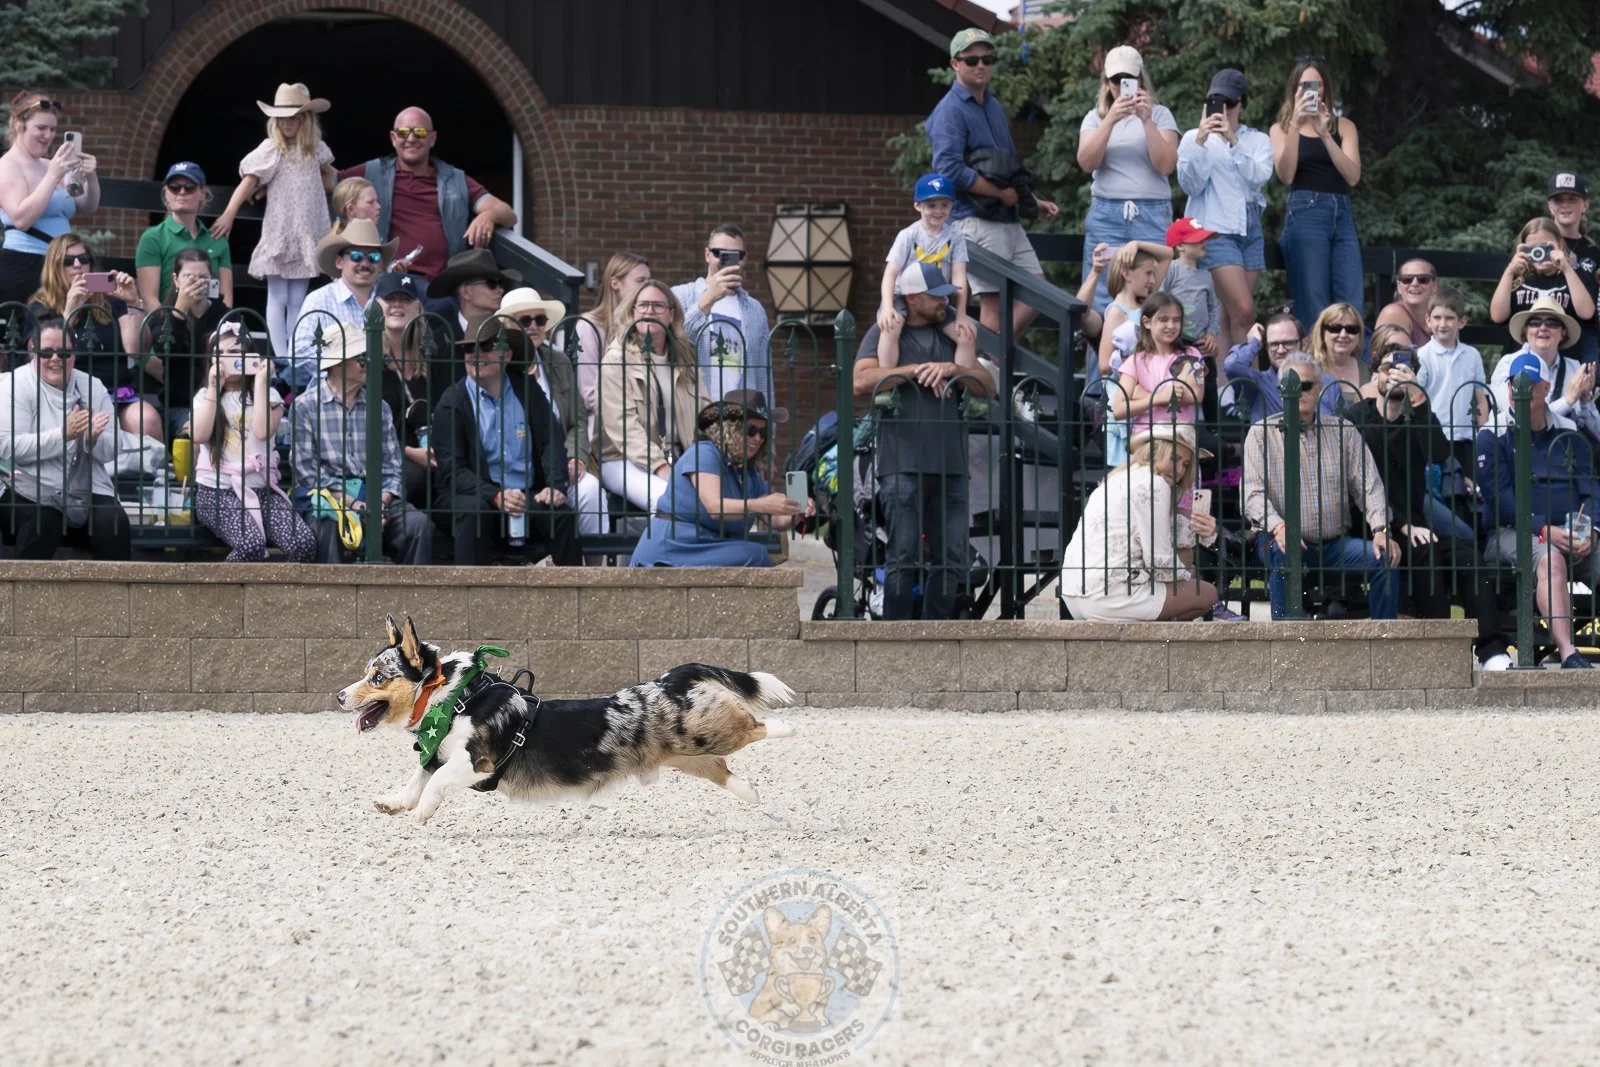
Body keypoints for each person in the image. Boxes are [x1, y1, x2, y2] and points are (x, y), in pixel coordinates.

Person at [853, 262, 993, 619]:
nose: (944, 303)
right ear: (913, 298)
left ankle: (939, 627)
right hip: (901, 463)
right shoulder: (886, 330)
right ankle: (897, 631)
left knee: (952, 556)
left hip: (951, 466)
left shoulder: (953, 333)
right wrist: (912, 371)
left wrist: (953, 370)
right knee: (903, 553)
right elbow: (860, 381)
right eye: (937, 297)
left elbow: (988, 387)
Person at [1244, 352, 1398, 620]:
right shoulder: (1260, 433)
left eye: (1305, 386)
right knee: (1282, 552)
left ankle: (1385, 640)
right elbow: (1251, 495)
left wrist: (1381, 529)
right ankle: (1287, 634)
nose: (1297, 392)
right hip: (1276, 538)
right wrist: (1278, 526)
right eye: (1289, 387)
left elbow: (1369, 487)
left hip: (1333, 544)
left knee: (1384, 557)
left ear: (1318, 388)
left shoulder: (1343, 431)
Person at [926, 29, 1060, 335]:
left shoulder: (993, 105)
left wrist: (1032, 202)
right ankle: (988, 370)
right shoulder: (950, 110)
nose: (980, 65)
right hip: (976, 218)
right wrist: (999, 193)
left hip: (1006, 217)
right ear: (954, 64)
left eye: (987, 59)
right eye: (971, 59)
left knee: (1039, 292)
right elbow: (947, 170)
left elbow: (1006, 169)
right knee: (993, 304)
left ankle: (989, 359)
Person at [1477, 354, 1598, 668]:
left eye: (1529, 384)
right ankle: (1568, 650)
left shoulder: (1569, 430)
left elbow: (1591, 487)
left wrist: (1594, 531)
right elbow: (1500, 501)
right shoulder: (1492, 434)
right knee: (1549, 559)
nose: (1521, 390)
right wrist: (1545, 529)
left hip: (1573, 533)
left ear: (1546, 388)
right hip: (1511, 533)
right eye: (1514, 383)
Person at [212, 84, 337, 370]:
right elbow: (249, 181)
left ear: (305, 120)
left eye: (293, 117)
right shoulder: (272, 149)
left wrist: (349, 195)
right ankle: (281, 355)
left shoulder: (315, 150)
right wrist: (230, 212)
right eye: (281, 118)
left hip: (308, 231)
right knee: (278, 295)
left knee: (298, 298)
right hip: (282, 231)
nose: (287, 123)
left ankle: (295, 351)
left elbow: (331, 180)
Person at [431, 331, 579, 567]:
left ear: (507, 354)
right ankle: (470, 597)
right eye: (469, 349)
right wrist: (495, 496)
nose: (476, 355)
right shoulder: (452, 401)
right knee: (474, 513)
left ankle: (570, 599)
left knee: (562, 516)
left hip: (525, 494)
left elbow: (551, 439)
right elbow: (452, 470)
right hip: (475, 496)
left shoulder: (527, 390)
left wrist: (555, 485)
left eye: (486, 347)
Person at [289, 321, 430, 565]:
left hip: (377, 497)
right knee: (326, 528)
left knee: (418, 525)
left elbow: (393, 466)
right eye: (361, 357)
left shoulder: (380, 406)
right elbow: (307, 474)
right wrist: (354, 505)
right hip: (332, 498)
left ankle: (412, 601)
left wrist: (380, 503)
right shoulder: (305, 407)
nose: (370, 362)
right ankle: (331, 601)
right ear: (337, 364)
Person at [1346, 345, 1471, 614]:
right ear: (1375, 376)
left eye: (1404, 369)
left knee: (1470, 557)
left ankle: (1491, 649)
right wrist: (1402, 525)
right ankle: (1434, 638)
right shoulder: (1355, 418)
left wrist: (1418, 398)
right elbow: (1352, 485)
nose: (1394, 375)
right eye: (1387, 368)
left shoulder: (1416, 418)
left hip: (1417, 526)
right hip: (1368, 525)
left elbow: (1439, 454)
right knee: (1424, 551)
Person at [1062, 423, 1229, 621]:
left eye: (1185, 464)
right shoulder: (1155, 485)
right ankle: (1161, 645)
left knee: (1186, 570)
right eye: (1174, 458)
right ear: (1155, 451)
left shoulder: (1117, 478)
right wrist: (1189, 575)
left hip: (1073, 594)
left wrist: (1197, 540)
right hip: (1110, 598)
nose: (1179, 471)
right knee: (1207, 593)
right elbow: (1160, 563)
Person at [0, 317, 130, 559]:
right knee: (43, 523)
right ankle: (27, 596)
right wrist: (63, 435)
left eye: (64, 353)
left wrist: (92, 440)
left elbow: (113, 449)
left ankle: (113, 598)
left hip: (85, 487)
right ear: (32, 352)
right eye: (46, 352)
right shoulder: (15, 385)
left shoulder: (93, 386)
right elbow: (6, 447)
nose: (55, 359)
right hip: (26, 486)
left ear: (74, 354)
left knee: (113, 524)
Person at [337, 106, 517, 280]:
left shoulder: (454, 179)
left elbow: (509, 214)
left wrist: (489, 215)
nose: (411, 138)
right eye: (403, 132)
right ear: (393, 138)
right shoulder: (373, 172)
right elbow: (330, 181)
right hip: (389, 282)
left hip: (442, 285)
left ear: (432, 138)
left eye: (420, 133)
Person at [630, 390, 806, 567]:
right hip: (674, 546)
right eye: (750, 430)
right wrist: (761, 504)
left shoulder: (748, 471)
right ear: (730, 429)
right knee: (755, 553)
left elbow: (773, 519)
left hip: (708, 545)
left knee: (755, 552)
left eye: (763, 432)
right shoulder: (704, 453)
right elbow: (715, 507)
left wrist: (795, 512)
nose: (758, 438)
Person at [189, 324, 316, 563]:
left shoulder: (270, 396)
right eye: (221, 354)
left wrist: (259, 383)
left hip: (263, 490)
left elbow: (261, 431)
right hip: (217, 492)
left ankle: (277, 596)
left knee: (303, 543)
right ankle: (222, 592)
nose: (227, 359)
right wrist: (214, 388)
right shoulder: (204, 396)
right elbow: (199, 435)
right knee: (251, 544)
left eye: (236, 353)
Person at [1075, 46, 1177, 316]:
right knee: (1099, 303)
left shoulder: (1160, 114)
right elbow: (1086, 162)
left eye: (1127, 80)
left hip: (1151, 214)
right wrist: (1110, 120)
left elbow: (1166, 164)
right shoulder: (1095, 118)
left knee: (1154, 301)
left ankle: (1153, 359)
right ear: (1106, 83)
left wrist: (1146, 120)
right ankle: (1103, 358)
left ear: (1140, 80)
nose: (1121, 87)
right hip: (1107, 214)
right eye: (1115, 80)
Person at [1176, 68, 1272, 350]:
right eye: (1215, 101)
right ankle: (1236, 387)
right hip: (1215, 230)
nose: (1223, 110)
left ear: (1242, 103)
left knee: (1229, 316)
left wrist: (1233, 140)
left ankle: (1233, 390)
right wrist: (1200, 143)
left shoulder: (1257, 140)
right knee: (1244, 310)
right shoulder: (1194, 138)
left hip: (1250, 229)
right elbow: (1190, 186)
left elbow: (1259, 176)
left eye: (1229, 103)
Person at [501, 286, 605, 538]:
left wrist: (574, 458)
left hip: (563, 461)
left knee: (591, 490)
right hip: (520, 468)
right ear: (507, 327)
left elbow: (578, 419)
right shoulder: (498, 366)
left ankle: (594, 574)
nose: (533, 326)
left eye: (540, 320)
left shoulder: (558, 361)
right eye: (524, 320)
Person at [1271, 59, 1363, 325]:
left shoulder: (1343, 126)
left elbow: (1353, 175)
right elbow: (1286, 175)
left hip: (1341, 213)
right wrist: (1296, 128)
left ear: (1325, 89)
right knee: (1313, 302)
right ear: (1295, 90)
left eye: (1317, 85)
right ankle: (1316, 365)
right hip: (1305, 212)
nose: (1312, 91)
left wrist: (1325, 135)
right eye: (1305, 85)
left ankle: (1350, 365)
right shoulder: (1281, 128)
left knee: (1350, 301)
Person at [597, 281, 701, 513]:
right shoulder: (616, 360)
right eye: (642, 305)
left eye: (657, 305)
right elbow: (624, 429)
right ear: (632, 311)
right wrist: (661, 467)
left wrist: (700, 465)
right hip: (622, 459)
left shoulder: (685, 360)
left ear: (671, 314)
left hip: (680, 456)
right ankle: (660, 550)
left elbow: (704, 415)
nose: (649, 311)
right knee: (667, 500)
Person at [25, 233, 144, 418]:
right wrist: (71, 309)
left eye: (84, 259)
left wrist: (133, 302)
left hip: (116, 392)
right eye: (68, 261)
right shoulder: (40, 306)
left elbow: (134, 350)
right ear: (54, 267)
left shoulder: (110, 301)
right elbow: (39, 356)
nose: (78, 265)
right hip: (66, 393)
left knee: (147, 419)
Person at [0, 93, 99, 306]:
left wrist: (91, 177)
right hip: (26, 263)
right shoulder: (8, 165)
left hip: (62, 265)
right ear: (19, 124)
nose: (48, 135)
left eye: (52, 129)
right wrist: (53, 176)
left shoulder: (51, 164)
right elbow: (21, 218)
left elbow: (87, 206)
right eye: (41, 128)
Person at [876, 172, 973, 368]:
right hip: (904, 295)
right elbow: (890, 274)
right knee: (891, 326)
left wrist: (961, 313)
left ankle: (965, 385)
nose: (938, 211)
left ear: (952, 206)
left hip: (937, 296)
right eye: (931, 205)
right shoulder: (908, 235)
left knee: (966, 334)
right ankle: (887, 379)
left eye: (944, 205)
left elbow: (960, 277)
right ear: (917, 205)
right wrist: (887, 307)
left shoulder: (955, 236)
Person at [287, 218, 397, 392]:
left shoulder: (391, 300)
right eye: (356, 256)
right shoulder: (319, 299)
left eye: (374, 257)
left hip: (385, 394)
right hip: (331, 397)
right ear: (339, 262)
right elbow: (298, 352)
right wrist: (338, 371)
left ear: (381, 264)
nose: (365, 264)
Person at [135, 248, 229, 441]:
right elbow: (164, 351)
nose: (195, 282)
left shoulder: (224, 315)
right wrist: (179, 311)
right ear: (176, 280)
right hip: (181, 406)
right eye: (189, 277)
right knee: (194, 432)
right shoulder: (162, 317)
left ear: (211, 278)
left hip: (223, 402)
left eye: (202, 276)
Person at [672, 224, 771, 404]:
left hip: (741, 414)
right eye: (719, 253)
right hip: (696, 408)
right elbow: (675, 344)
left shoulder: (755, 309)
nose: (724, 260)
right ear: (707, 255)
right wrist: (709, 298)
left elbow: (763, 371)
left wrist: (766, 423)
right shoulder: (681, 296)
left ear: (744, 259)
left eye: (735, 255)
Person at [372, 272, 447, 508]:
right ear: (376, 307)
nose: (397, 304)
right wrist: (409, 452)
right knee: (415, 478)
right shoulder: (366, 360)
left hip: (436, 452)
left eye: (404, 299)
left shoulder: (435, 355)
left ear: (418, 307)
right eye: (389, 298)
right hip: (386, 456)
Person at [1486, 295, 1600, 438]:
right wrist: (1568, 400)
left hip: (1560, 455)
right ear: (1526, 331)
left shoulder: (1574, 367)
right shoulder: (1508, 364)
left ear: (1563, 332)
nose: (1543, 327)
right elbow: (1517, 416)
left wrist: (1584, 401)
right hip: (1512, 454)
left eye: (1552, 323)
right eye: (1535, 322)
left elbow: (1596, 433)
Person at [134, 161, 234, 310]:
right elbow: (149, 298)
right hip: (167, 322)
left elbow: (226, 299)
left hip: (210, 323)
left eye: (190, 187)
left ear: (202, 192)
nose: (182, 192)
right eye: (174, 187)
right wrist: (167, 329)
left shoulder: (218, 241)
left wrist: (217, 329)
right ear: (166, 193)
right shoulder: (152, 237)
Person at [1110, 292, 1204, 440]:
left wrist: (1141, 394)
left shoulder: (1193, 354)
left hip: (1181, 437)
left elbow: (1196, 395)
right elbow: (1119, 409)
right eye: (1163, 320)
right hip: (1145, 438)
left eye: (1176, 320)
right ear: (1147, 322)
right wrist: (1158, 398)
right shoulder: (1134, 361)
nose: (1171, 326)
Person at [568, 252, 649, 417]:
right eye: (640, 281)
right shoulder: (589, 325)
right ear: (615, 283)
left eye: (649, 281)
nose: (647, 288)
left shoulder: (645, 325)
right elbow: (589, 392)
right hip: (605, 424)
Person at [1489, 218, 1597, 342]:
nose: (1539, 253)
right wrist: (1509, 271)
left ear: (1560, 245)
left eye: (1546, 247)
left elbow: (1587, 313)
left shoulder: (1573, 275)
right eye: (1533, 248)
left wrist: (1567, 268)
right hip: (1522, 354)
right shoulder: (1516, 277)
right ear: (1523, 248)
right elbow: (1497, 317)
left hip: (1563, 355)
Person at [1222, 312, 1342, 423]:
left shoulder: (1328, 383)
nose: (1280, 350)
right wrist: (1254, 342)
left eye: (1288, 343)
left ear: (1304, 343)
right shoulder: (1258, 384)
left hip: (1320, 445)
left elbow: (1342, 428)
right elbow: (1232, 366)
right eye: (1274, 344)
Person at [1416, 289, 1486, 467]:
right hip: (1435, 438)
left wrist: (1485, 434)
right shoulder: (1422, 355)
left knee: (1468, 490)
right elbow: (1416, 396)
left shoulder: (1472, 355)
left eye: (1449, 318)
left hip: (1466, 438)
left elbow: (1481, 399)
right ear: (1428, 320)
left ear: (1462, 322)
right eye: (1437, 318)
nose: (1443, 324)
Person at [1546, 171, 1599, 364]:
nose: (1565, 204)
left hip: (1583, 334)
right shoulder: (1537, 243)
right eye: (1559, 199)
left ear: (1585, 204)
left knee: (1585, 389)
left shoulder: (1595, 253)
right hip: (1542, 327)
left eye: (1572, 199)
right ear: (1550, 206)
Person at [425, 247, 518, 346]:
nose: (500, 290)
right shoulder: (438, 341)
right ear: (466, 292)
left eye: (501, 283)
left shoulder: (508, 334)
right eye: (491, 284)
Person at [1156, 217, 1220, 357]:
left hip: (1200, 342)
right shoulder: (1171, 269)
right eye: (1197, 239)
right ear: (1180, 246)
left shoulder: (1206, 275)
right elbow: (1159, 299)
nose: (1203, 243)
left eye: (1204, 239)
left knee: (1204, 375)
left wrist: (1211, 333)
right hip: (1173, 339)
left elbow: (1213, 307)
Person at [1309, 302, 1366, 403]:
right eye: (1335, 328)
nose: (1343, 334)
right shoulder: (1309, 370)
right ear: (1322, 333)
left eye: (1351, 329)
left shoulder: (1368, 373)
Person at [1374, 258, 1437, 348]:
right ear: (1399, 287)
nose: (1414, 283)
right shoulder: (1393, 313)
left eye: (1423, 279)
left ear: (1434, 286)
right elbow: (1392, 357)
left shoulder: (1443, 314)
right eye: (1407, 279)